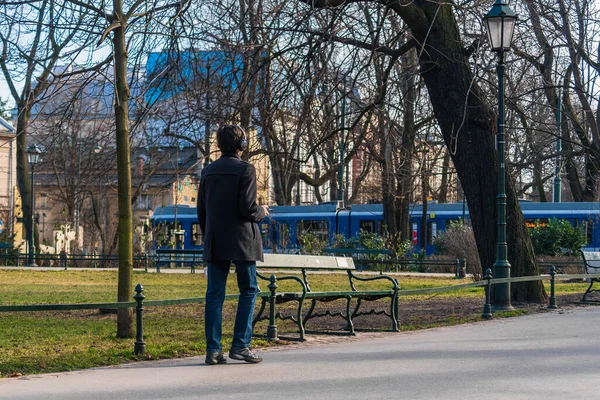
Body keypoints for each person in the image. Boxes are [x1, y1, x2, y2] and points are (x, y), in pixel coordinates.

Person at [197, 124, 269, 365]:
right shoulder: (246, 169)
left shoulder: (208, 171)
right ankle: (240, 345)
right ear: (242, 145)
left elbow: (201, 211)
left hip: (216, 240)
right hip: (243, 241)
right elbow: (248, 208)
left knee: (214, 294)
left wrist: (209, 236)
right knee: (248, 290)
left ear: (219, 145)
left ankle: (213, 350)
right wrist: (262, 211)